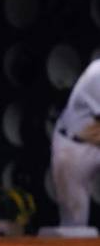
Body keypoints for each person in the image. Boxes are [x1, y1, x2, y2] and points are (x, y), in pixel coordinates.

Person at [50, 59, 100, 230]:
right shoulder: (98, 72)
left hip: (94, 140)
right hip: (75, 147)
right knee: (74, 223)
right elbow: (95, 128)